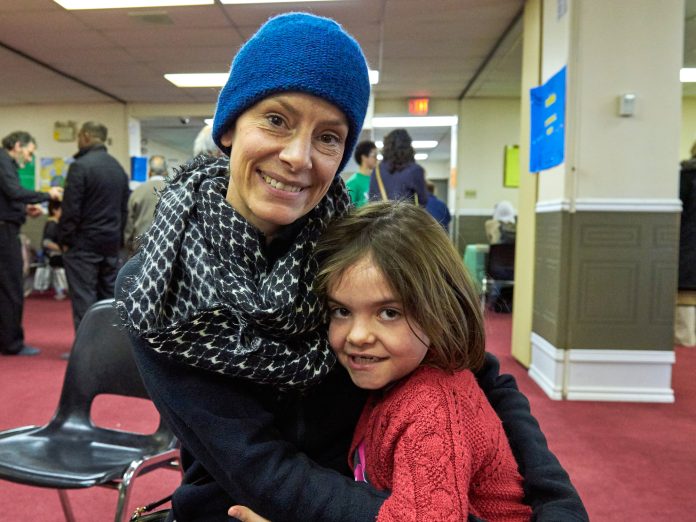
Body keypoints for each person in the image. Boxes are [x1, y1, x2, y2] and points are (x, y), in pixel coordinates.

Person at [116, 12, 587, 522]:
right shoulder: (159, 285)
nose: (299, 157)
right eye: (276, 120)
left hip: (394, 487)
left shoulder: (354, 248)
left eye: (328, 137)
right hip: (250, 506)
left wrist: (556, 503)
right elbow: (254, 465)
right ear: (229, 126)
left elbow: (475, 371)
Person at [60, 121, 129, 331]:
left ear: (87, 136)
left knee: (84, 300)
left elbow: (71, 210)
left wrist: (64, 240)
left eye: (79, 136)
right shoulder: (117, 168)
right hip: (110, 245)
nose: (78, 140)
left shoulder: (80, 166)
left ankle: (86, 352)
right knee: (107, 301)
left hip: (83, 245)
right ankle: (105, 348)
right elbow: (123, 211)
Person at [0, 131, 62, 356]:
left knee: (7, 288)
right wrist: (47, 195)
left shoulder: (5, 163)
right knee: (12, 287)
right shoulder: (3, 161)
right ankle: (12, 343)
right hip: (4, 233)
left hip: (7, 228)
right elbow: (14, 192)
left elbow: (7, 198)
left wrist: (24, 209)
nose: (29, 159)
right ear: (17, 145)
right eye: (29, 153)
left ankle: (7, 339)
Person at [368, 128, 428, 205]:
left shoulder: (377, 170)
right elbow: (423, 201)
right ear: (408, 146)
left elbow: (372, 200)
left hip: (380, 216)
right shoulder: (415, 170)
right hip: (406, 216)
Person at [123, 155, 168, 256]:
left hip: (141, 250)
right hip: (167, 251)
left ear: (149, 172)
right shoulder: (175, 190)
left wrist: (129, 247)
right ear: (166, 172)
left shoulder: (138, 192)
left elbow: (129, 227)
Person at [42, 199, 68, 300]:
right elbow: (46, 243)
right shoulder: (52, 224)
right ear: (54, 210)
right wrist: (62, 249)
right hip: (52, 254)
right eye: (62, 210)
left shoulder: (58, 224)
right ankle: (61, 289)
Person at [345, 140, 377, 207]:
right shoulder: (352, 182)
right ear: (364, 157)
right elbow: (349, 211)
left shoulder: (377, 180)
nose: (376, 158)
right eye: (374, 155)